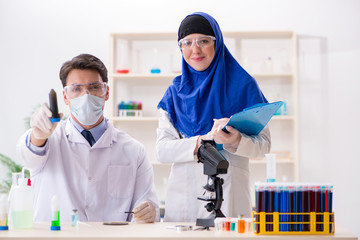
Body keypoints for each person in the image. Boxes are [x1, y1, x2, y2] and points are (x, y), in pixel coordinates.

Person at [156, 12, 271, 222]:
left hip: (230, 202)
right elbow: (162, 150)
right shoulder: (174, 93)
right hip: (183, 206)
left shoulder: (244, 86)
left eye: (203, 41)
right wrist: (200, 142)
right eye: (187, 43)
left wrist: (235, 140)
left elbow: (264, 145)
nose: (195, 49)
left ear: (217, 43)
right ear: (180, 48)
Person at [17, 54, 159, 223]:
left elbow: (146, 206)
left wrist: (150, 212)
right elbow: (28, 157)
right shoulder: (50, 140)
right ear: (65, 97)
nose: (86, 95)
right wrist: (38, 135)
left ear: (106, 92)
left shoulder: (133, 150)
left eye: (94, 87)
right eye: (76, 88)